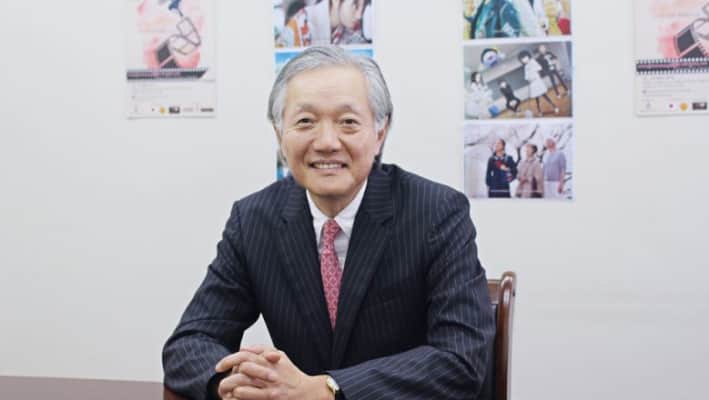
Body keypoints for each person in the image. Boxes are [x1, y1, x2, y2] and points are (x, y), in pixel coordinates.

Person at [162, 46, 495, 400]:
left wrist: (325, 389)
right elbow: (189, 344)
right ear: (279, 134)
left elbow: (461, 359)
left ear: (380, 132)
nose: (326, 142)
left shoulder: (436, 212)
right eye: (305, 121)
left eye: (348, 122)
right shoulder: (253, 219)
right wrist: (238, 382)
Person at [518, 50, 558, 116]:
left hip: (537, 82)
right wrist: (529, 78)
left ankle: (554, 107)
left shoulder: (532, 61)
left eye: (525, 57)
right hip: (532, 84)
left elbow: (539, 68)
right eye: (522, 59)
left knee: (545, 95)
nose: (524, 60)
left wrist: (532, 69)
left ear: (528, 56)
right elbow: (526, 76)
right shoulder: (525, 67)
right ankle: (539, 111)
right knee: (537, 99)